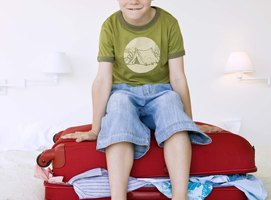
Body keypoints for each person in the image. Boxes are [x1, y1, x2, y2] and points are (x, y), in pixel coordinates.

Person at [62, 0, 221, 199]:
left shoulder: (168, 23)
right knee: (118, 105)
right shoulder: (110, 25)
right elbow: (103, 79)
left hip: (161, 92)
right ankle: (118, 197)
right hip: (123, 92)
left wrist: (188, 121)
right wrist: (95, 130)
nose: (134, 1)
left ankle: (180, 196)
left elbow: (178, 77)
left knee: (170, 101)